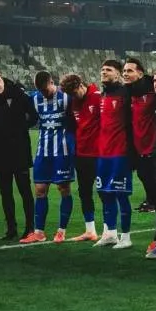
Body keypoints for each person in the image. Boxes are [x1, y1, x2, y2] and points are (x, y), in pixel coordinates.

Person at [124, 60, 156, 254]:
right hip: (141, 155)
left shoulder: (154, 94)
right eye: (124, 71)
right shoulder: (128, 95)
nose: (125, 74)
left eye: (130, 71)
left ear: (141, 73)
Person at [21, 71, 75, 244]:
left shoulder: (67, 98)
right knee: (40, 190)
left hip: (63, 151)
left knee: (63, 188)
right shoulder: (34, 98)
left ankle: (61, 230)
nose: (43, 94)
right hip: (43, 151)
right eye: (41, 91)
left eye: (46, 90)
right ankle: (39, 232)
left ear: (53, 82)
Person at [0, 70, 37, 240]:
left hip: (19, 152)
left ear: (3, 81)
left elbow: (34, 116)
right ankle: (11, 229)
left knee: (25, 191)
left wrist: (21, 129)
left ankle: (30, 227)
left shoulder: (17, 94)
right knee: (5, 193)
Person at [94, 60, 136, 250]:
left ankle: (126, 237)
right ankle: (110, 233)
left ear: (118, 74)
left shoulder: (126, 93)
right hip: (103, 153)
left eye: (108, 70)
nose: (104, 72)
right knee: (104, 193)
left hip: (120, 152)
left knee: (121, 194)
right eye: (102, 70)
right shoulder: (104, 93)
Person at [62, 74, 102, 241]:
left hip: (99, 154)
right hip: (82, 154)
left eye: (74, 92)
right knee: (84, 192)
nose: (73, 96)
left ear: (80, 85)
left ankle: (110, 231)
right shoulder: (73, 102)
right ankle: (90, 230)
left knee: (105, 193)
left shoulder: (98, 97)